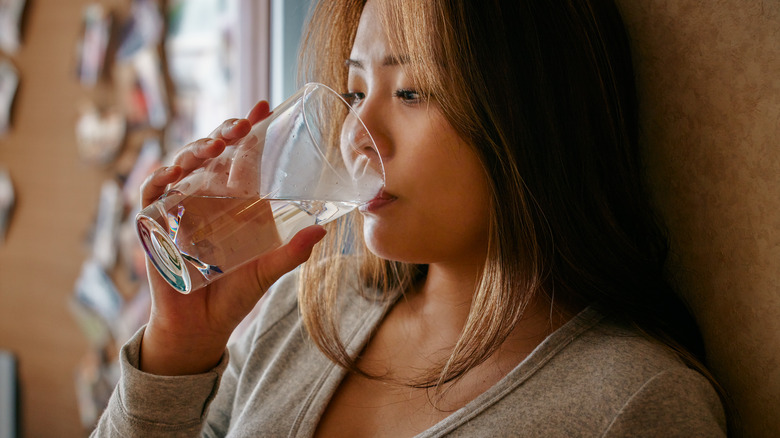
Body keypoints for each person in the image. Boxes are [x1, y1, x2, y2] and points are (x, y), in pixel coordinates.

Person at [93, 0, 728, 436]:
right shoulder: (302, 312)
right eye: (355, 90)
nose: (357, 134)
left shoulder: (635, 404)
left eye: (412, 92)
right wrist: (177, 350)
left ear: (532, 120)